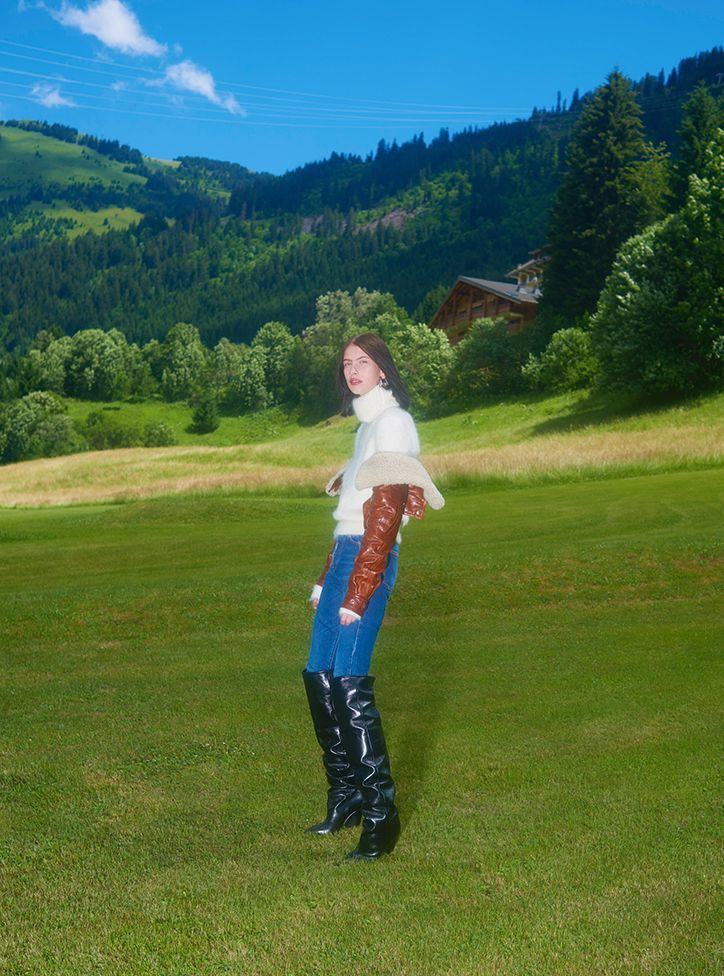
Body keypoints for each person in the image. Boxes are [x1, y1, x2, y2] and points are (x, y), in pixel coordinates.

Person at [301, 332, 444, 861]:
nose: (353, 370)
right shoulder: (366, 426)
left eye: (363, 362)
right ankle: (347, 796)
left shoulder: (393, 423)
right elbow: (349, 516)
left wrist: (360, 588)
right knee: (319, 674)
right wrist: (327, 578)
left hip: (370, 559)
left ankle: (381, 817)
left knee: (350, 681)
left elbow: (384, 516)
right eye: (346, 364)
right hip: (345, 556)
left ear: (383, 369)